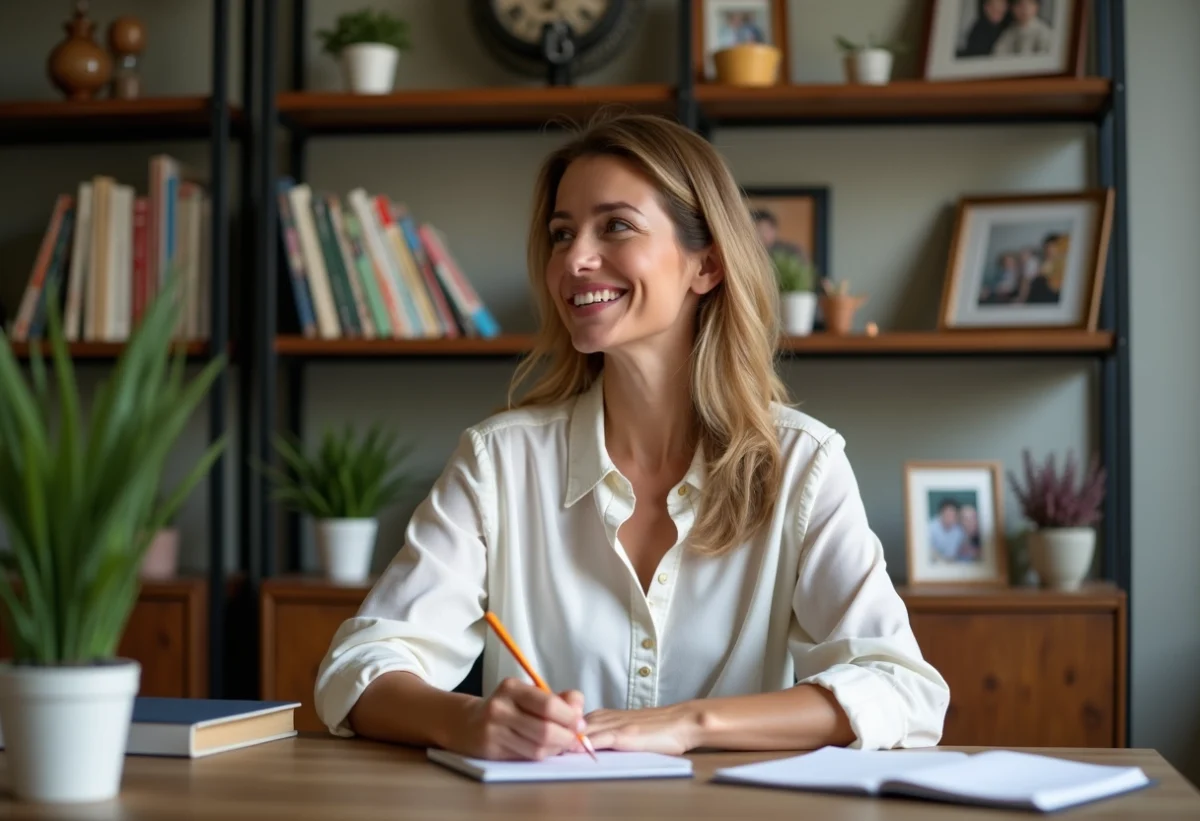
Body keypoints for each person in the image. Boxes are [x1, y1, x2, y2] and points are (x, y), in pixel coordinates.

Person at [313, 113, 950, 761]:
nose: (575, 259)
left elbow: (901, 687)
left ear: (706, 266)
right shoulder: (499, 461)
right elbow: (358, 664)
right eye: (562, 234)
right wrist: (468, 720)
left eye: (614, 225)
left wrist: (690, 723)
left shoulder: (802, 464)